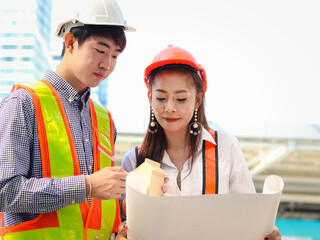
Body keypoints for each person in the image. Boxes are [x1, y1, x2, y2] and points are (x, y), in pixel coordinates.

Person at [0, 0, 135, 239]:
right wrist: (86, 186)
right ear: (70, 42)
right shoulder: (23, 103)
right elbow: (5, 192)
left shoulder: (104, 120)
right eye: (100, 51)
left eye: (115, 55)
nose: (107, 64)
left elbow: (97, 207)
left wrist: (129, 214)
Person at [120, 45, 282, 239]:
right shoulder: (134, 160)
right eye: (161, 98)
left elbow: (248, 219)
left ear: (198, 100)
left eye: (181, 99)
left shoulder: (226, 148)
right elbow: (129, 226)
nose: (169, 108)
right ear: (150, 98)